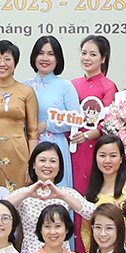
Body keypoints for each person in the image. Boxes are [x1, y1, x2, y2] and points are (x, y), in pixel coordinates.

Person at [0, 41, 40, 188]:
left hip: (18, 153)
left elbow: (33, 132)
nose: (2, 63)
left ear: (15, 63)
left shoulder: (26, 91)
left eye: (7, 59)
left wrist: (32, 164)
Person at [11, 141, 93, 253]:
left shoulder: (66, 192)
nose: (47, 165)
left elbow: (92, 213)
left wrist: (62, 196)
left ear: (59, 167)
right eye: (42, 160)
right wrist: (26, 194)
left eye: (53, 161)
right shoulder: (24, 193)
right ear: (33, 165)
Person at [27, 36, 81, 188]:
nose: (45, 58)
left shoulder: (66, 86)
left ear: (58, 59)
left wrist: (46, 125)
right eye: (41, 53)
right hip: (29, 147)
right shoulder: (24, 86)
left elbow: (75, 120)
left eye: (50, 54)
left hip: (56, 147)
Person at [67, 35, 118, 191]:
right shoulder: (72, 84)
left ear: (103, 58)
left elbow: (109, 122)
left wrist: (87, 135)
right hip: (72, 146)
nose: (87, 58)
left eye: (93, 54)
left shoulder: (108, 86)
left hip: (94, 147)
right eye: (84, 53)